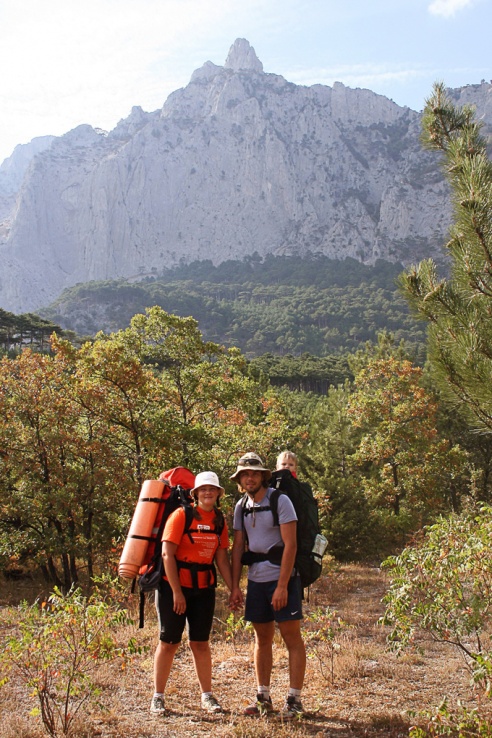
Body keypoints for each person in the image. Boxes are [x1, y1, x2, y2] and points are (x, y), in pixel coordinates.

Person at [229, 452, 306, 719]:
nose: (249, 478)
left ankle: (294, 701)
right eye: (244, 474)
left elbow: (291, 545)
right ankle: (263, 697)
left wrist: (282, 586)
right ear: (239, 479)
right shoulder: (241, 506)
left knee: (291, 638)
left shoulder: (280, 500)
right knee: (262, 639)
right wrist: (235, 586)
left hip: (282, 579)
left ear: (263, 475)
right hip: (256, 581)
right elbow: (238, 547)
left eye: (254, 473)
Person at [150, 471, 233, 716]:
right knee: (169, 642)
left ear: (218, 493)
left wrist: (234, 589)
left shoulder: (220, 520)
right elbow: (167, 555)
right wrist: (177, 592)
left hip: (203, 589)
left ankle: (207, 696)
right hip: (173, 587)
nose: (208, 493)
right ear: (194, 494)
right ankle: (158, 696)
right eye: (203, 489)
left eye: (212, 489)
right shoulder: (180, 516)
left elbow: (221, 558)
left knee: (200, 643)